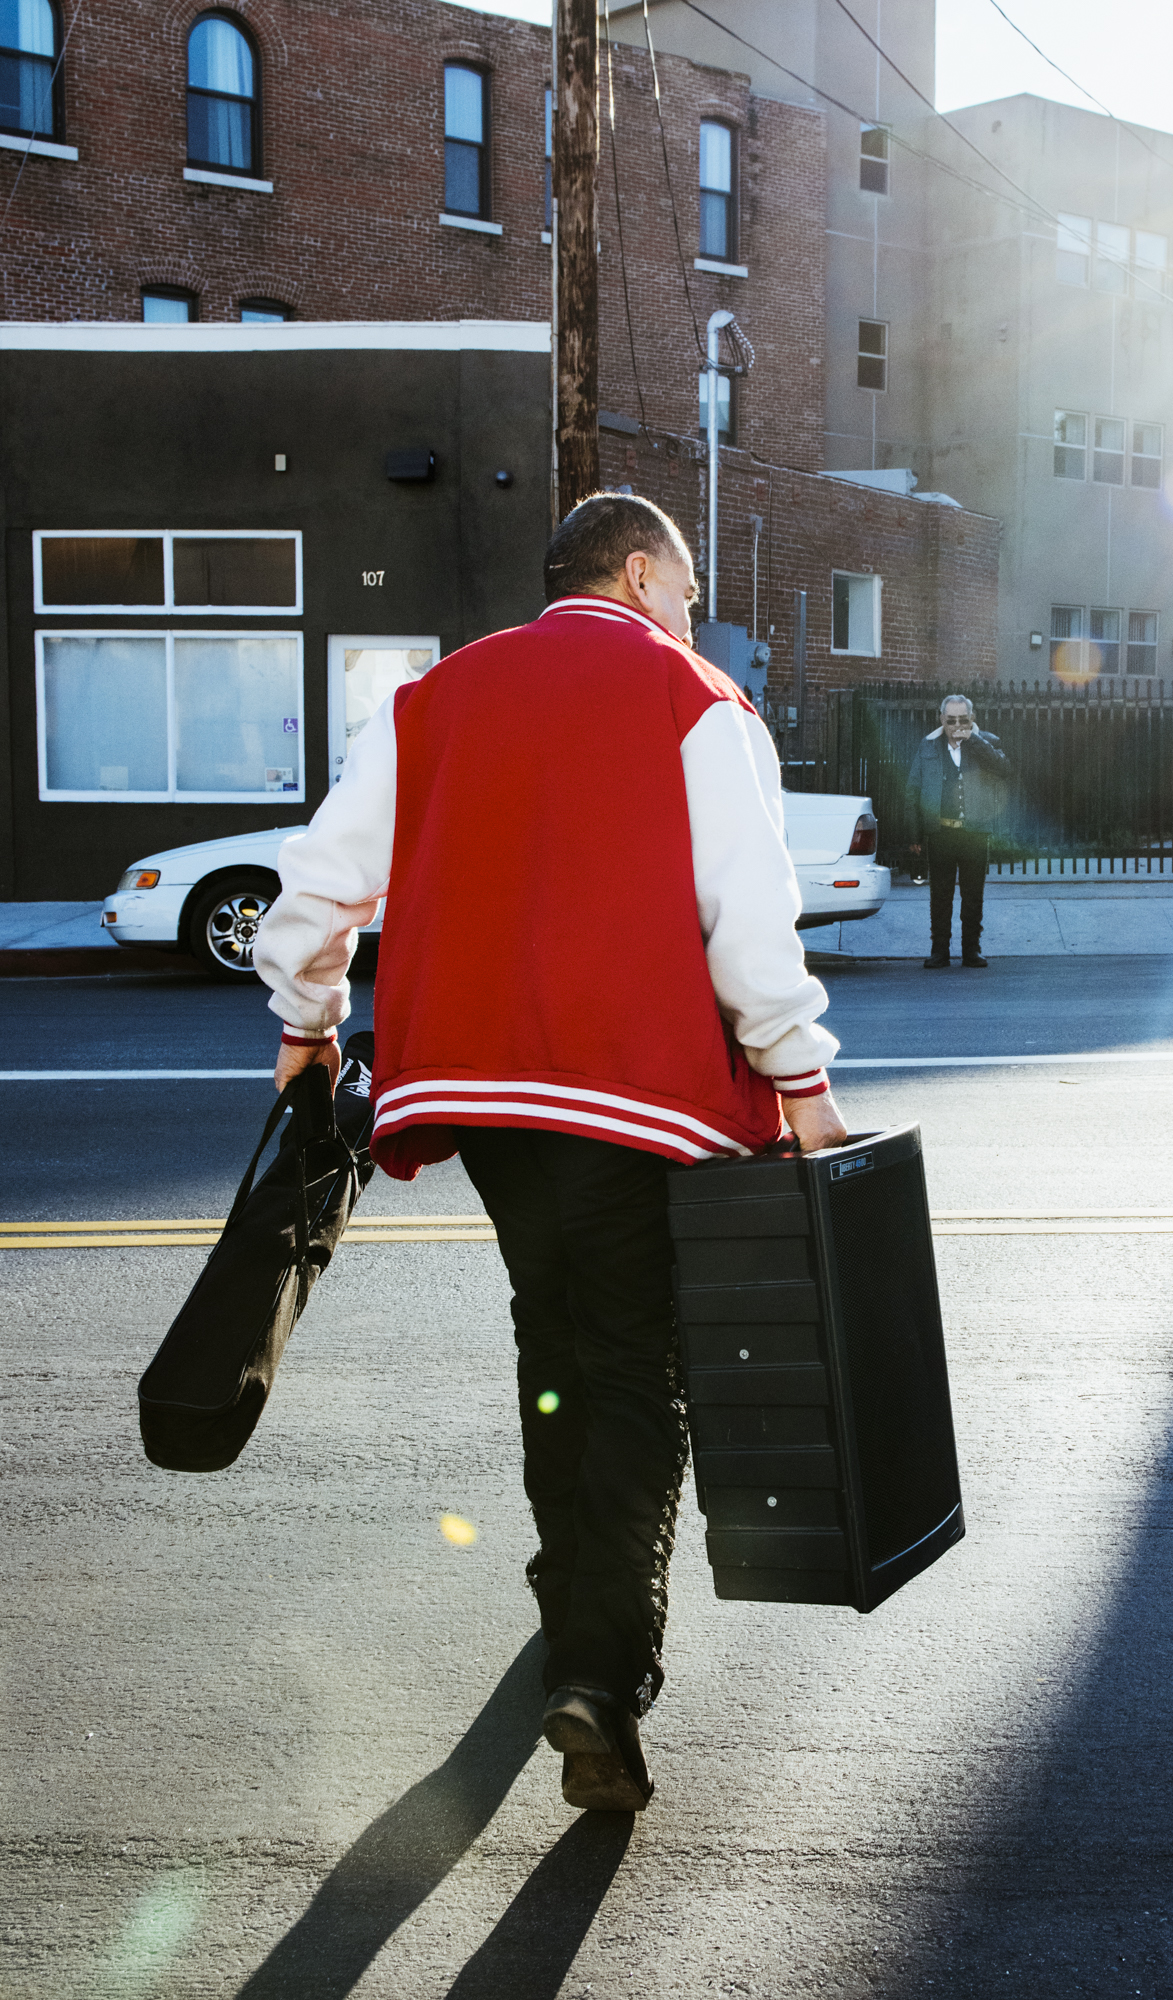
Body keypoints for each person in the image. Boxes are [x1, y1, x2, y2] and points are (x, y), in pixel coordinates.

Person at [254, 492, 847, 1815]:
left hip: (480, 1094)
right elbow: (750, 915)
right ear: (638, 574)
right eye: (686, 592)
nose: (694, 617)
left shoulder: (434, 698)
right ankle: (600, 1671)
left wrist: (308, 1019)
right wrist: (800, 1079)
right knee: (637, 1370)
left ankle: (566, 1594)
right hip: (637, 1093)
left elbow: (323, 881)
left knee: (556, 1342)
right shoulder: (696, 698)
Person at [904, 694, 1010, 969]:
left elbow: (1003, 769)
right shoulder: (928, 745)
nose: (957, 726)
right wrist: (915, 834)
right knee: (940, 897)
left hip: (975, 833)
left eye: (963, 720)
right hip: (941, 833)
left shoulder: (986, 742)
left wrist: (974, 739)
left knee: (973, 896)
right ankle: (939, 951)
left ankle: (971, 950)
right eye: (951, 720)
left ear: (972, 719)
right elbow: (913, 790)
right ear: (942, 719)